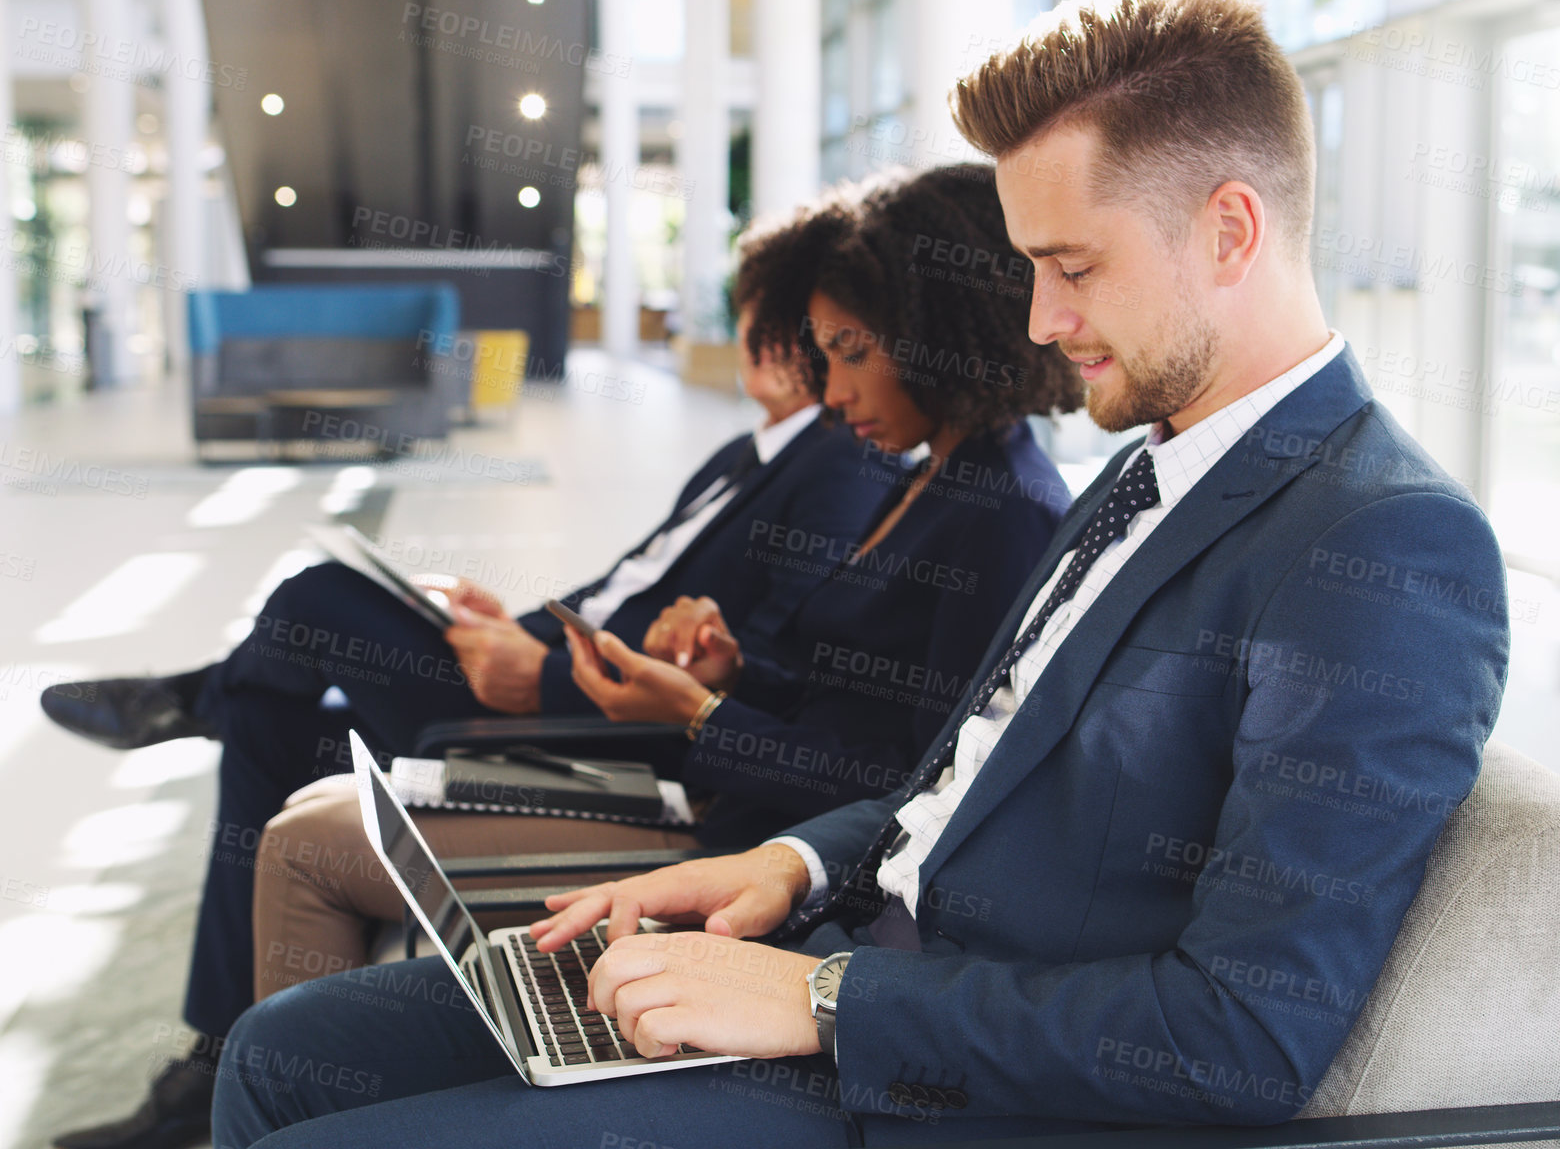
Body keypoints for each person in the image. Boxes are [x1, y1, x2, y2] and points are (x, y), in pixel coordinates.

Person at [213, 0, 1512, 1145]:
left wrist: (823, 1000)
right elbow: (955, 780)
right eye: (1027, 273)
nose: (1042, 326)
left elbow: (1242, 1034)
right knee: (279, 1060)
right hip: (830, 942)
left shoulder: (1376, 545)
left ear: (1228, 230)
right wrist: (788, 866)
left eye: (1071, 269)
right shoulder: (1150, 470)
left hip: (934, 1080)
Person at [43, 306, 884, 1149]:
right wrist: (518, 628)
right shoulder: (741, 456)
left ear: (775, 346)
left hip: (586, 726)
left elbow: (748, 666)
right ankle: (210, 1056)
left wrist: (542, 673)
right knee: (263, 720)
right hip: (555, 679)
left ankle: (191, 698)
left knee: (315, 598)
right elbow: (614, 591)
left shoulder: (835, 472)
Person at [245, 162, 1081, 1009]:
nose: (833, 392)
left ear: (942, 334)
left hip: (754, 851)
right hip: (727, 803)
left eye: (853, 354)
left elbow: (908, 787)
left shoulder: (1001, 514)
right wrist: (732, 676)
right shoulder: (932, 478)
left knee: (310, 839)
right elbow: (850, 697)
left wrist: (700, 715)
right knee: (315, 812)